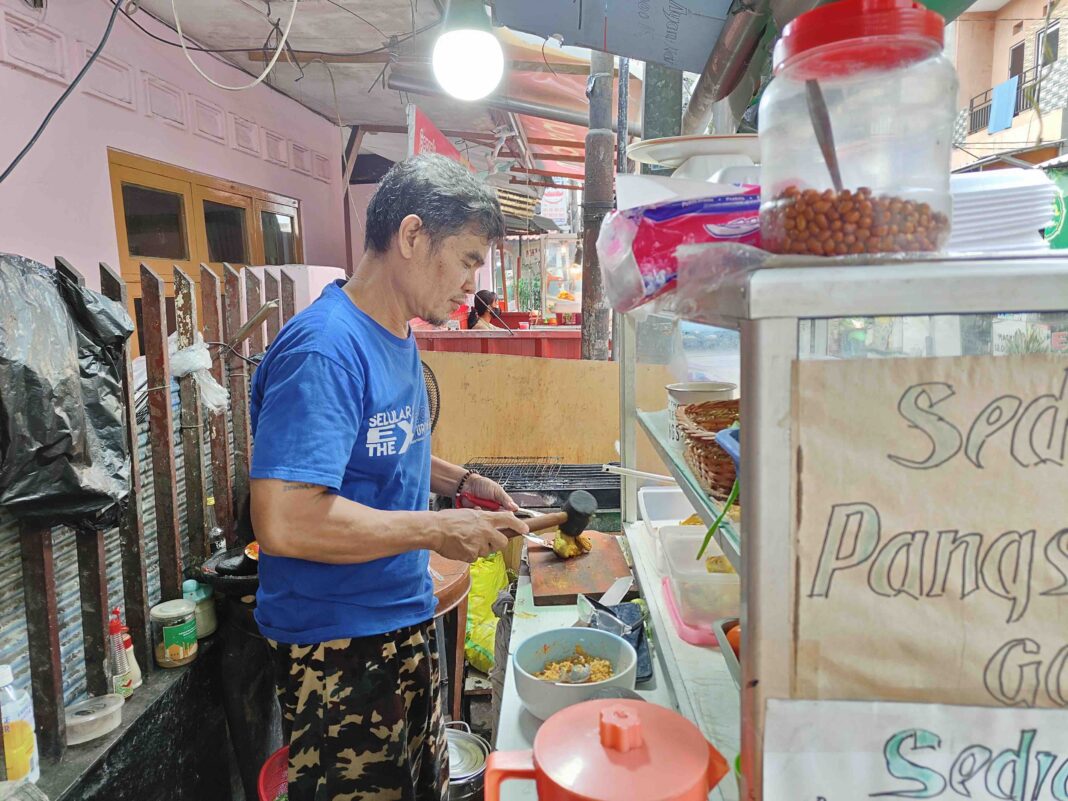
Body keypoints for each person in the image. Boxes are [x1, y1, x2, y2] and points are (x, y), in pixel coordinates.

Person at [248, 154, 529, 801]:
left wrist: (460, 482)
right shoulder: (325, 348)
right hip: (339, 643)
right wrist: (435, 529)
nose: (472, 285)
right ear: (411, 236)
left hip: (399, 613)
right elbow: (286, 518)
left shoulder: (394, 332)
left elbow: (378, 443)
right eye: (466, 260)